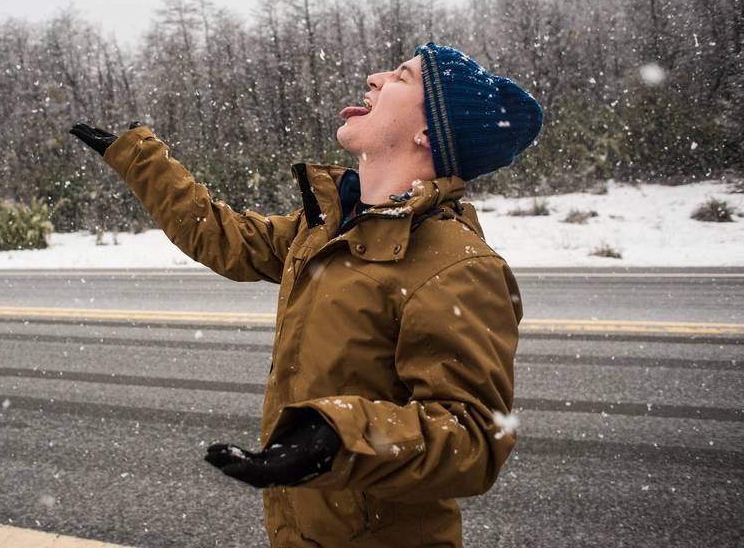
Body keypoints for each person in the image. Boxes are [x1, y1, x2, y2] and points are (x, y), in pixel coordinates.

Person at [70, 42, 543, 548]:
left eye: (402, 77)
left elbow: (472, 439)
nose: (375, 77)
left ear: (428, 132)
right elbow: (223, 237)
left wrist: (336, 436)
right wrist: (141, 160)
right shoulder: (330, 230)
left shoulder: (456, 266)